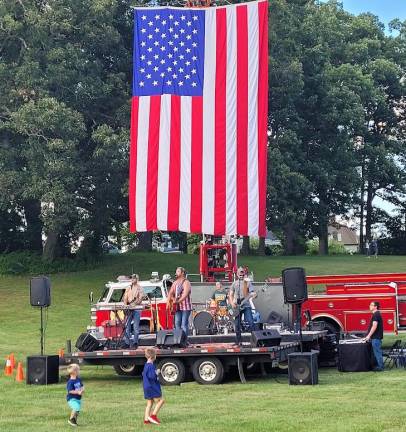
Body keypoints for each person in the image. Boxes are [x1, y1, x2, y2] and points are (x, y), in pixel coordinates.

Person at [228, 267, 257, 345]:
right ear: (237, 274)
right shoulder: (234, 283)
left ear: (244, 274)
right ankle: (238, 341)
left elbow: (253, 293)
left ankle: (256, 340)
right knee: (237, 324)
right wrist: (232, 303)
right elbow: (230, 294)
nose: (241, 275)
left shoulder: (248, 283)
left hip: (246, 305)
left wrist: (254, 295)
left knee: (251, 322)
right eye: (240, 274)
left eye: (242, 274)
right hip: (237, 306)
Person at [167, 267, 192, 337]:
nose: (176, 273)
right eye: (176, 271)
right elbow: (170, 293)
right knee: (177, 323)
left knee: (184, 324)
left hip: (186, 307)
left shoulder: (186, 282)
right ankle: (178, 340)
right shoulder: (175, 283)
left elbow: (185, 294)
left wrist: (177, 301)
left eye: (178, 271)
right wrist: (172, 299)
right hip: (177, 307)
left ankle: (184, 341)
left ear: (182, 273)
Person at [143, 347, 164, 425]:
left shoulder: (146, 365)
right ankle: (153, 416)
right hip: (152, 386)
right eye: (155, 355)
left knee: (150, 403)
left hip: (146, 387)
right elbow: (152, 376)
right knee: (161, 401)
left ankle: (146, 420)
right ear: (153, 357)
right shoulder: (151, 366)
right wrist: (157, 372)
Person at [123, 274, 144, 348]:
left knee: (135, 327)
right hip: (129, 308)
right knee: (127, 326)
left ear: (137, 279)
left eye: (134, 278)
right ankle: (127, 342)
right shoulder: (128, 287)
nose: (132, 279)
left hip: (136, 309)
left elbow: (140, 298)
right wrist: (125, 305)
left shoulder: (140, 288)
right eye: (131, 278)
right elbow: (125, 297)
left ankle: (135, 342)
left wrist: (135, 303)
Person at [363, 301, 384, 371]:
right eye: (370, 305)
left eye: (372, 305)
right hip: (376, 337)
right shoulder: (376, 314)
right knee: (376, 352)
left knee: (377, 352)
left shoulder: (376, 315)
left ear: (375, 307)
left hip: (376, 338)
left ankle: (381, 367)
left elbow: (374, 326)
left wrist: (368, 336)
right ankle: (378, 366)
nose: (370, 306)